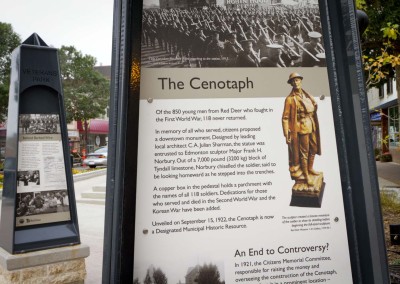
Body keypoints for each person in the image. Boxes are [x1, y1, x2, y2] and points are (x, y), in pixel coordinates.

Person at [282, 73, 321, 187]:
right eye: (293, 81)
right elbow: (285, 118)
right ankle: (306, 175)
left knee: (313, 148)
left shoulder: (307, 95)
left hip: (312, 124)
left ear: (301, 81)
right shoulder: (290, 99)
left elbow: (313, 108)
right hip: (302, 127)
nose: (296, 82)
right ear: (291, 84)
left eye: (297, 80)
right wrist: (286, 133)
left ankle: (310, 169)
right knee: (304, 152)